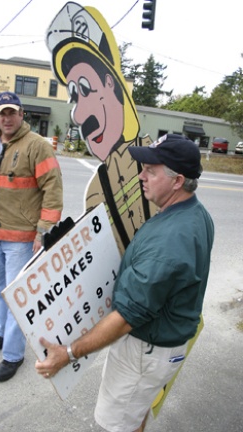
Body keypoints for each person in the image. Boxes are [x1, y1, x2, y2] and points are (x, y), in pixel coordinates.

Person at [35, 134, 214, 432]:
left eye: (151, 171)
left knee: (116, 423)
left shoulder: (170, 242)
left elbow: (126, 318)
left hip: (146, 350)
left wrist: (67, 354)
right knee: (134, 413)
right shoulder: (194, 212)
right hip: (162, 343)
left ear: (177, 180)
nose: (141, 176)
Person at [46, 2, 155, 255]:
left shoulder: (157, 160)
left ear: (110, 83)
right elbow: (99, 258)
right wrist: (64, 252)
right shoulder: (96, 188)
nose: (78, 113)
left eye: (85, 89)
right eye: (74, 96)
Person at [0, 91, 63, 382]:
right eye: (1, 113)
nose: (6, 118)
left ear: (22, 115)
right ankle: (2, 332)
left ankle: (13, 354)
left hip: (22, 239)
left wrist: (43, 232)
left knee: (15, 298)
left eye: (12, 112)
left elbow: (53, 191)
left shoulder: (36, 146)